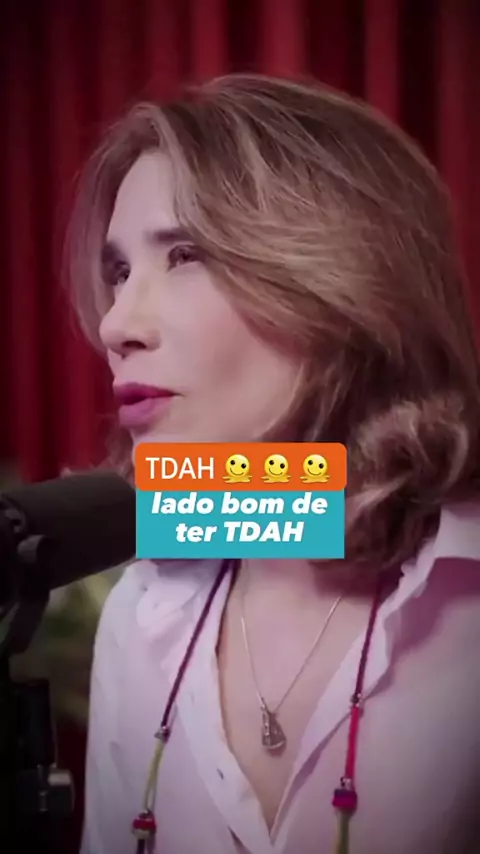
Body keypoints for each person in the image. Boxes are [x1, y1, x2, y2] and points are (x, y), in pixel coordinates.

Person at [67, 74, 480, 854]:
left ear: (343, 278)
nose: (116, 323)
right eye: (118, 273)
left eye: (185, 254)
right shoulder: (140, 612)